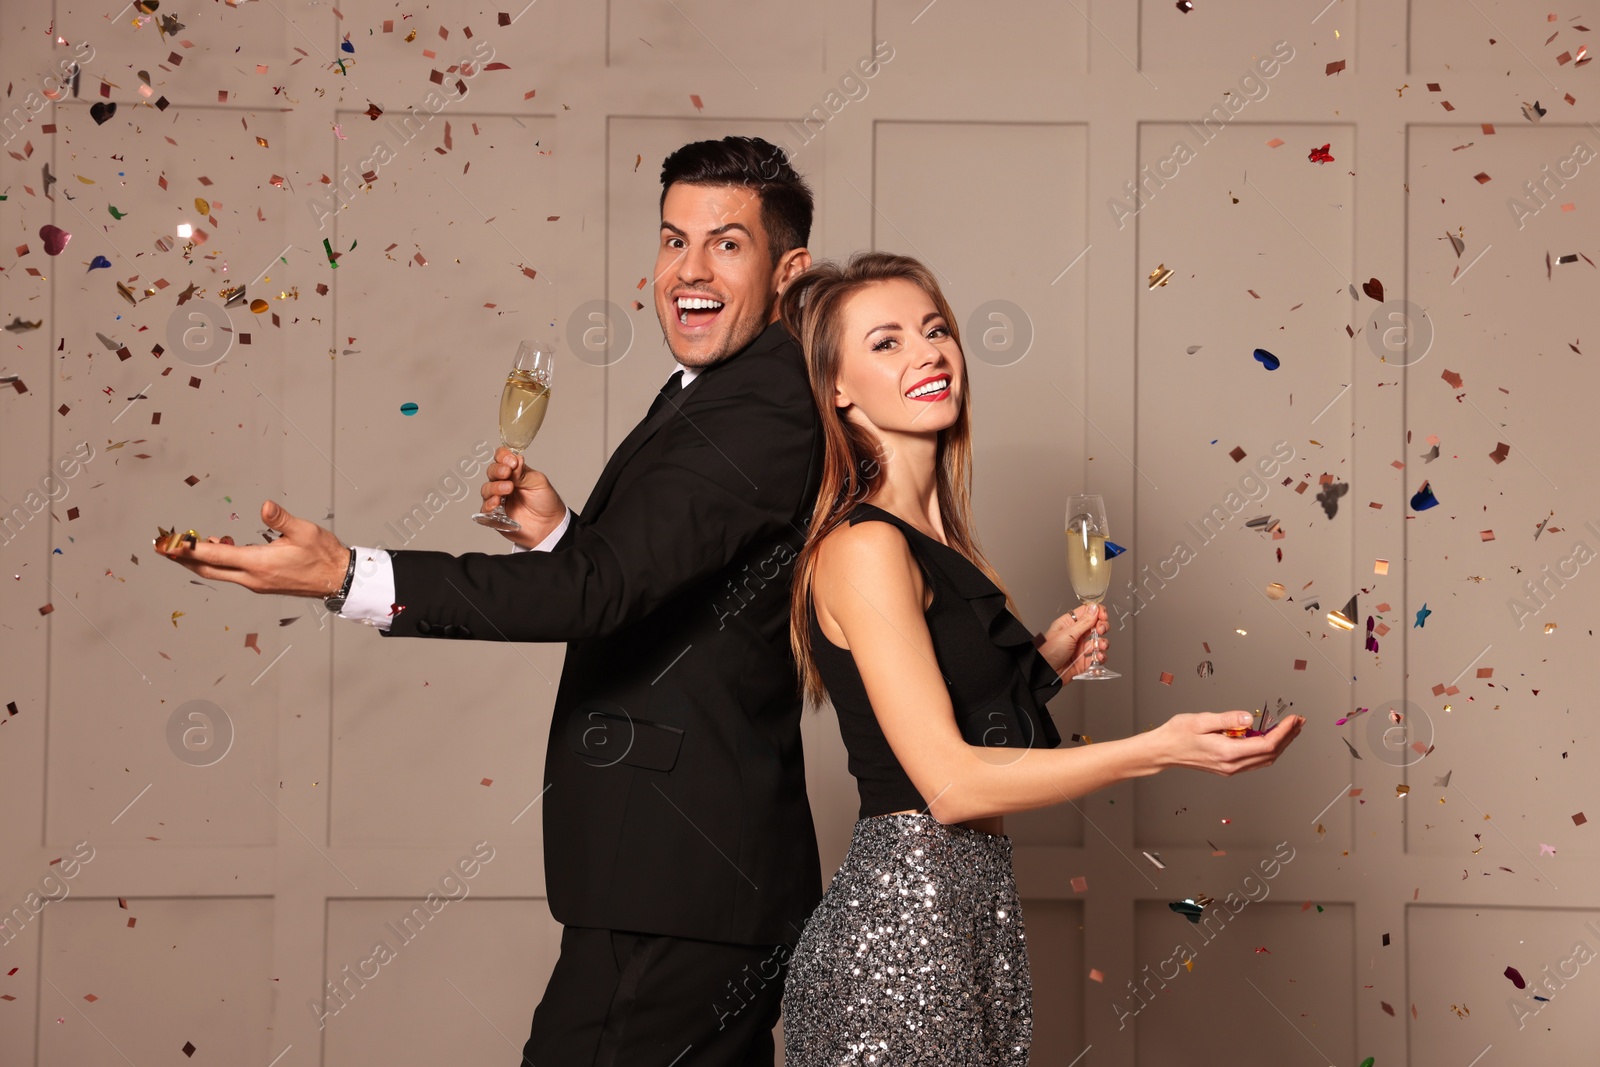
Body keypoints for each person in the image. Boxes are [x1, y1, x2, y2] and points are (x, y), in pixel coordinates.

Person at [157, 136, 847, 1066]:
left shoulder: (765, 404)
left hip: (680, 890)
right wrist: (565, 533)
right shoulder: (721, 391)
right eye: (672, 239)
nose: (688, 270)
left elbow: (600, 596)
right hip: (686, 888)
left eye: (726, 244)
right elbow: (655, 588)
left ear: (787, 271)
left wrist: (346, 576)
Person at [775, 252, 1305, 1065]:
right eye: (886, 342)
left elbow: (954, 715)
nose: (928, 353)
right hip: (901, 934)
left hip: (969, 906)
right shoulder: (865, 546)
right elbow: (949, 785)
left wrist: (1041, 668)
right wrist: (1158, 749)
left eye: (936, 329)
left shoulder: (940, 539)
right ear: (837, 389)